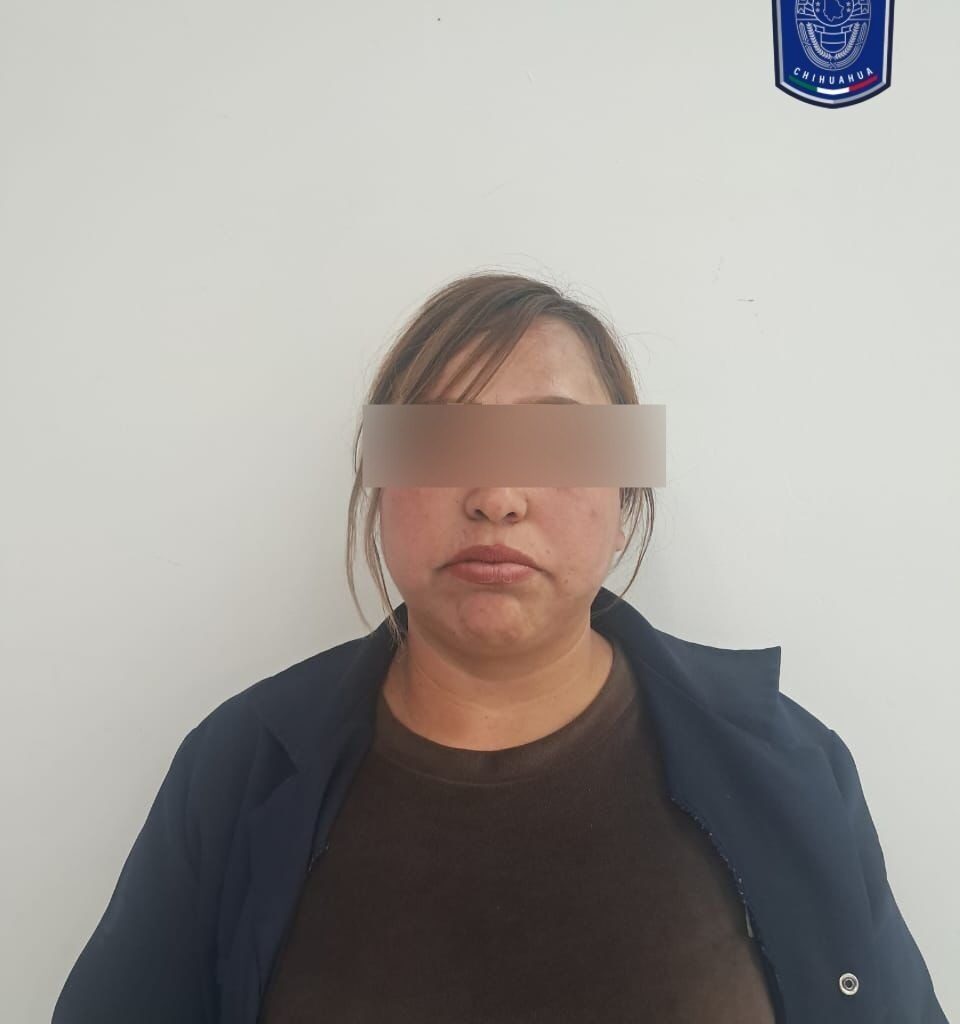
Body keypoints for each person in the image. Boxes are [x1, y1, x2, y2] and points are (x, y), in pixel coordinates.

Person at [52, 272, 948, 1023]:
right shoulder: (237, 771)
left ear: (626, 497)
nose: (496, 494)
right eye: (442, 437)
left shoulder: (790, 765)